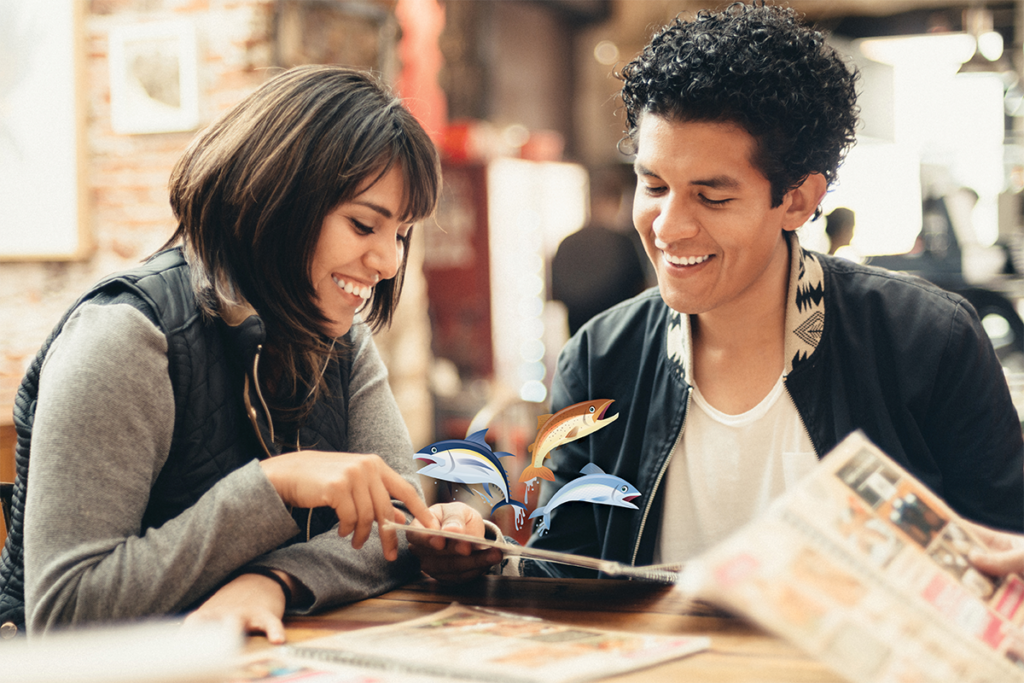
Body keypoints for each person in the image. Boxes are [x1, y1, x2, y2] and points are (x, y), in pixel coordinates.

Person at [409, 1, 1024, 581]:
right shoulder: (603, 357)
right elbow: (565, 570)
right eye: (652, 186)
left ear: (799, 200)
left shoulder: (924, 341)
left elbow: (1003, 551)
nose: (669, 227)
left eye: (713, 195)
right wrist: (483, 547)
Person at [0, 65, 443, 639]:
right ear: (280, 199)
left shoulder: (344, 341)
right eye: (364, 226)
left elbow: (398, 520)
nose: (388, 263)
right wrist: (272, 486)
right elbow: (65, 611)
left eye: (401, 234)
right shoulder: (126, 337)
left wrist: (274, 580)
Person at [550, 165, 650, 336]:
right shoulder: (622, 242)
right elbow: (640, 289)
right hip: (618, 330)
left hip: (578, 332)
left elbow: (555, 293)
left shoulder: (567, 242)